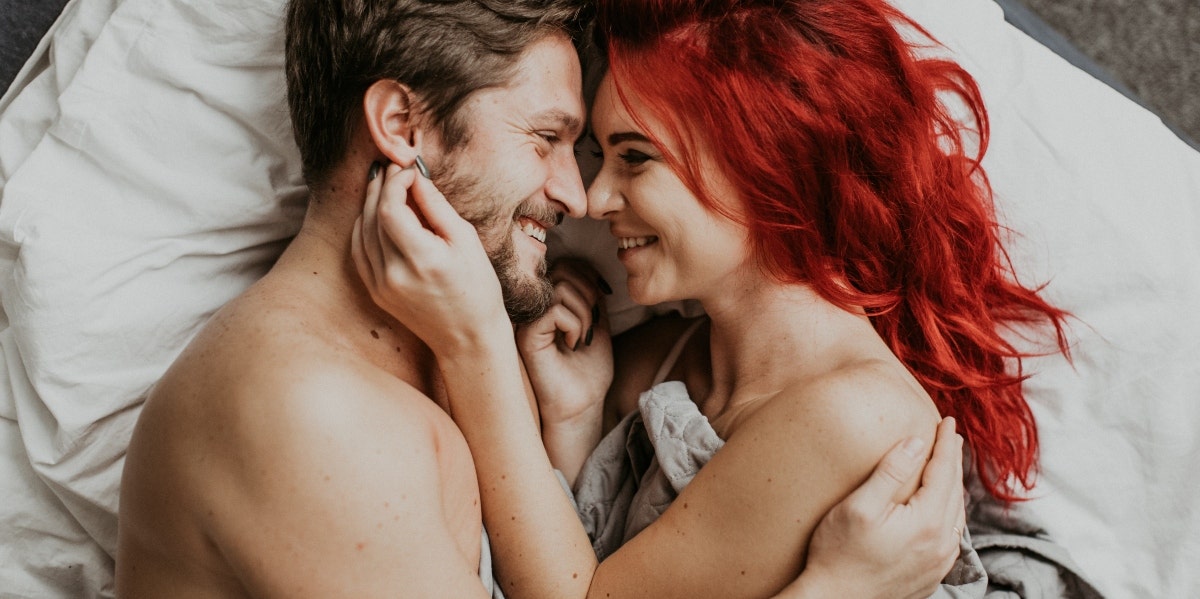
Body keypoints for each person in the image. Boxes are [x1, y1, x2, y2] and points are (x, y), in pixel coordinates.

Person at [115, 0, 964, 596]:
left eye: (607, 153)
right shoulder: (313, 416)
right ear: (403, 128)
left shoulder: (411, 376)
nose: (577, 194)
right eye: (551, 139)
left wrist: (555, 414)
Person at [351, 0, 1075, 597]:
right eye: (602, 157)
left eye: (635, 158)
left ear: (766, 161)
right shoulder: (658, 360)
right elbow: (587, 552)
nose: (595, 198)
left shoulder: (853, 416)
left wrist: (474, 346)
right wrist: (575, 419)